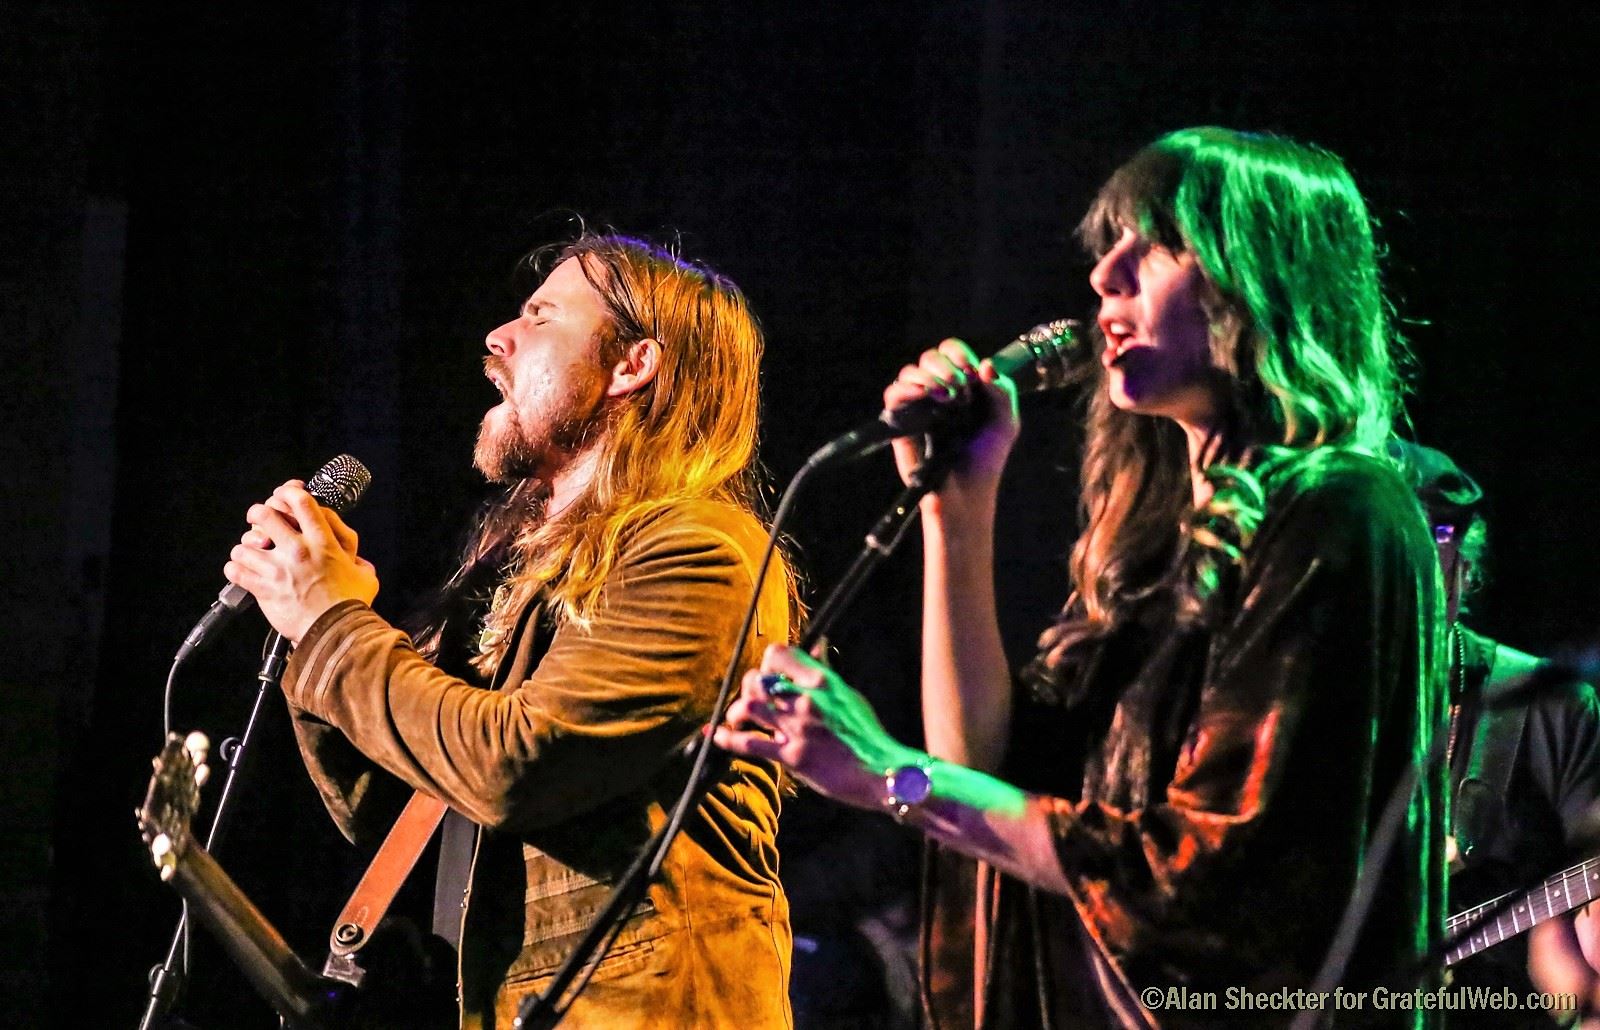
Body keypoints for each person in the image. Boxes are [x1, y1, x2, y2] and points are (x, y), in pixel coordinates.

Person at [717, 127, 1447, 1027]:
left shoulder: (1342, 510)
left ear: (1264, 279)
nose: (1107, 276)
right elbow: (981, 766)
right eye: (1110, 249)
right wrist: (957, 504)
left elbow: (1208, 878)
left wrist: (886, 775)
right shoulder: (1150, 552)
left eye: (1159, 245)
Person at [223, 233, 796, 1028]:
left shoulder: (700, 549)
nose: (499, 337)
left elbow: (513, 767)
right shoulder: (534, 574)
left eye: (540, 315)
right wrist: (304, 613)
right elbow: (399, 798)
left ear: (633, 366)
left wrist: (332, 623)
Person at [1395, 442, 1600, 1028]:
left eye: (1436, 533)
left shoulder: (1549, 706)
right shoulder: (1294, 705)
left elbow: (1573, 953)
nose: (1415, 559)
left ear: (1464, 554)